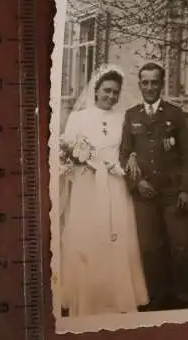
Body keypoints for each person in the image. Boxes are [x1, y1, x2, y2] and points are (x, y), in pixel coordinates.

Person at [59, 64, 149, 317]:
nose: (110, 96)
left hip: (115, 184)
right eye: (106, 91)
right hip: (88, 186)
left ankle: (116, 295)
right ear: (96, 90)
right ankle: (89, 297)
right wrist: (83, 159)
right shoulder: (79, 118)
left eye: (115, 93)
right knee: (90, 236)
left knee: (117, 234)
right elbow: (66, 154)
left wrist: (128, 158)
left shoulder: (124, 119)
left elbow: (131, 149)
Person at [120, 62, 188, 311]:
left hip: (173, 193)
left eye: (155, 82)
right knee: (151, 247)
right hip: (145, 194)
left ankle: (185, 295)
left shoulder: (174, 114)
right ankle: (156, 294)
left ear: (161, 84)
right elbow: (124, 153)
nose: (150, 87)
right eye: (145, 82)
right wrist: (137, 182)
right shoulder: (132, 115)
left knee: (181, 244)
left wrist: (186, 189)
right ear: (140, 84)